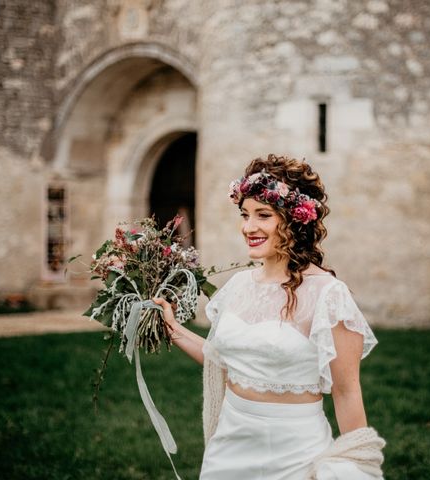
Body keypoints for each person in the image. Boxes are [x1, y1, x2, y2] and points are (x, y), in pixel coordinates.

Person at [154, 154, 385, 479]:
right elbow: (219, 360)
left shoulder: (328, 295)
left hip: (295, 454)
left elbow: (347, 392)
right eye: (245, 214)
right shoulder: (237, 286)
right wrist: (175, 330)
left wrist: (356, 466)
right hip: (229, 448)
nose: (249, 227)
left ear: (294, 220)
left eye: (263, 215)